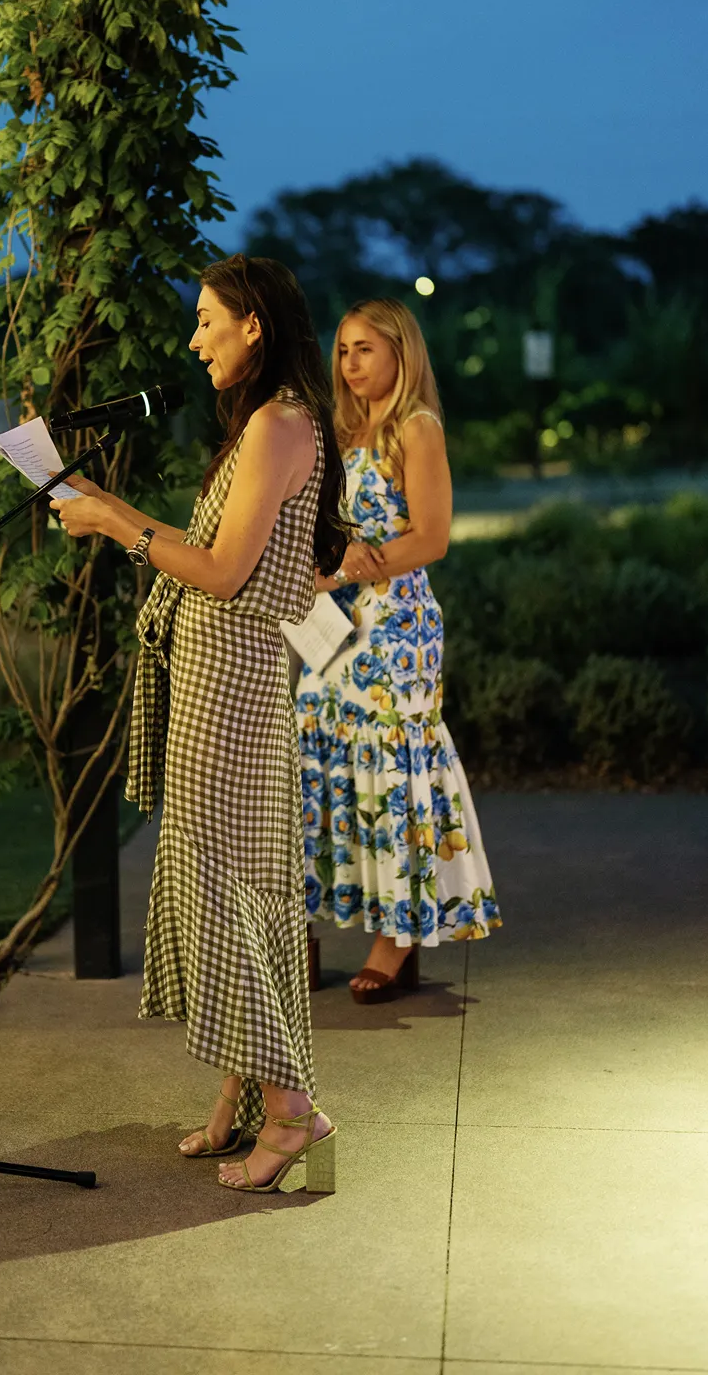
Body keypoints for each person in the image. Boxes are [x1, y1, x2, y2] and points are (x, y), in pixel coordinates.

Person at [51, 254, 347, 1194]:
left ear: (252, 324)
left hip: (232, 691)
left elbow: (219, 576)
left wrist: (111, 528)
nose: (193, 339)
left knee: (223, 894)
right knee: (223, 884)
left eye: (205, 320)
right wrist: (99, 506)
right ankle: (243, 1097)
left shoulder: (275, 424)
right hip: (221, 683)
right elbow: (207, 550)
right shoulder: (269, 423)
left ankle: (291, 1110)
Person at [297, 298, 501, 1002]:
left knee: (390, 774)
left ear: (400, 353)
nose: (349, 364)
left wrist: (346, 568)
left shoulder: (416, 428)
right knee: (317, 761)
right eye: (343, 350)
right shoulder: (339, 431)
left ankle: (395, 939)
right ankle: (307, 924)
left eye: (364, 350)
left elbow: (432, 538)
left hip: (396, 625)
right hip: (334, 622)